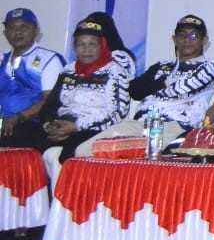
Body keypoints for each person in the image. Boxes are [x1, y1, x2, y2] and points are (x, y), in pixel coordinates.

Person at [0, 19, 131, 162]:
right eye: (81, 44)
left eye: (92, 44)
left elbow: (117, 113)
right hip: (62, 125)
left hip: (91, 129)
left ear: (102, 46)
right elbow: (50, 105)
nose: (86, 49)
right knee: (12, 134)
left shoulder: (115, 72)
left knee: (69, 153)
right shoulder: (69, 70)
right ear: (75, 47)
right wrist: (49, 125)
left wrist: (76, 126)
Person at [89, 15, 214, 151]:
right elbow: (134, 91)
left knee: (126, 151)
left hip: (175, 126)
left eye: (193, 36)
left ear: (204, 40)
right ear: (174, 39)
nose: (187, 40)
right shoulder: (162, 65)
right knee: (86, 150)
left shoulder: (212, 66)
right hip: (140, 123)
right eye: (182, 35)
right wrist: (163, 83)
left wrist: (155, 87)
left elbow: (182, 89)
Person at [0, 8, 64, 137]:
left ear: (36, 30)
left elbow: (50, 100)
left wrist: (18, 117)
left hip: (33, 125)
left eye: (24, 27)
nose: (18, 32)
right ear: (5, 33)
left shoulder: (49, 59)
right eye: (12, 27)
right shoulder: (2, 60)